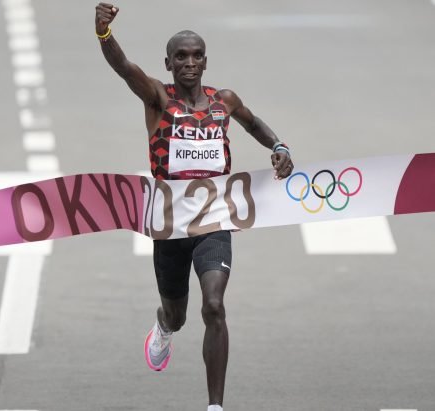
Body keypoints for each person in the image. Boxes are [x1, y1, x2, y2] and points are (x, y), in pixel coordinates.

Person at [95, 4, 294, 410]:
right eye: (181, 56)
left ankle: (214, 406)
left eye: (196, 55)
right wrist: (103, 33)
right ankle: (164, 327)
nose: (189, 62)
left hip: (214, 223)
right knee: (178, 314)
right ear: (167, 63)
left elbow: (254, 124)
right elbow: (123, 66)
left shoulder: (224, 101)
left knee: (215, 307)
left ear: (205, 61)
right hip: (170, 228)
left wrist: (279, 146)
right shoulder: (157, 98)